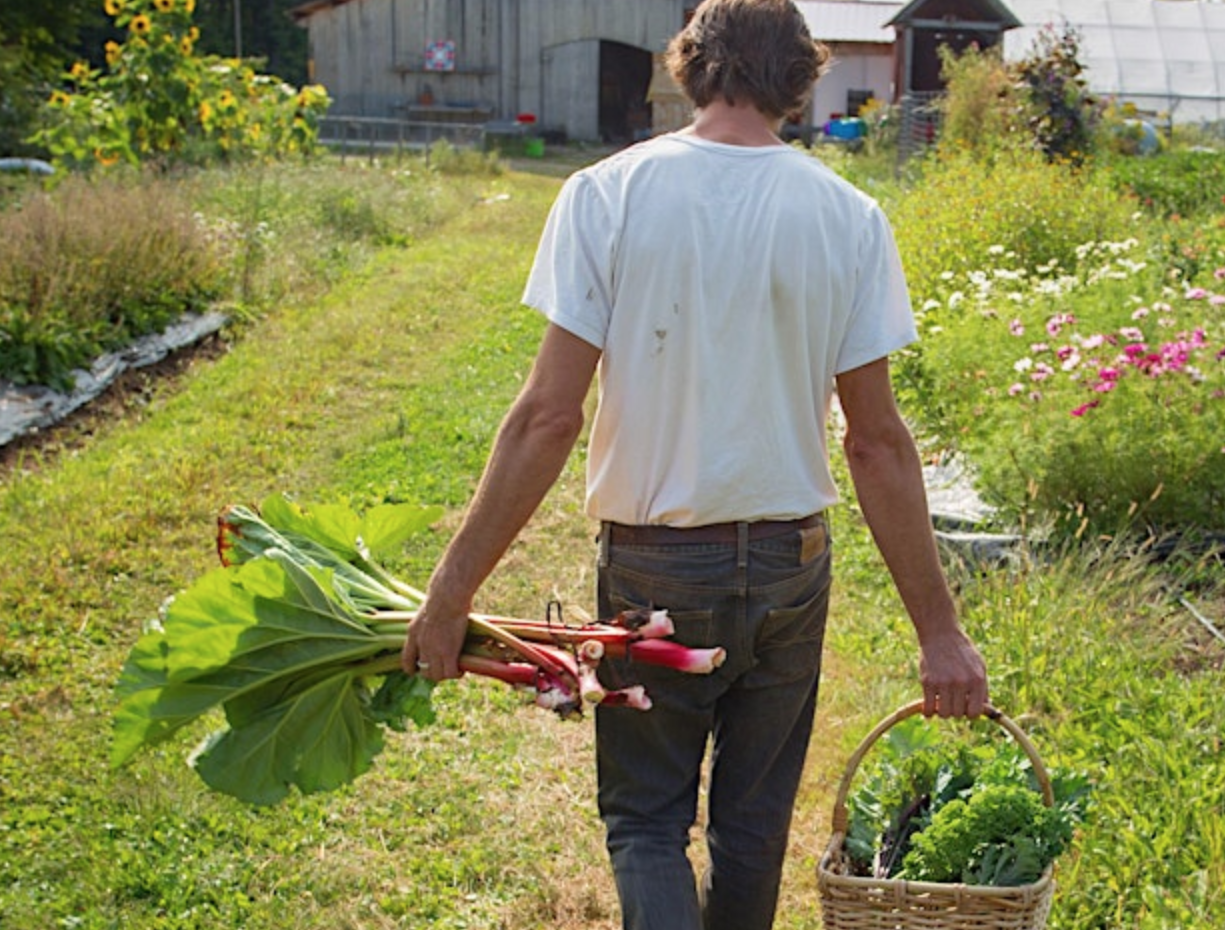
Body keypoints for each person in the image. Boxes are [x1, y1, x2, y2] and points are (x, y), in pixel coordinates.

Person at [399, 1, 989, 927]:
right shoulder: (849, 215)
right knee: (753, 830)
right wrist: (939, 631)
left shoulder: (607, 194)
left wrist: (449, 590)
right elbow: (875, 439)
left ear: (691, 65)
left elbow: (548, 417)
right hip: (792, 567)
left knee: (645, 821)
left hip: (654, 562)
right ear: (800, 79)